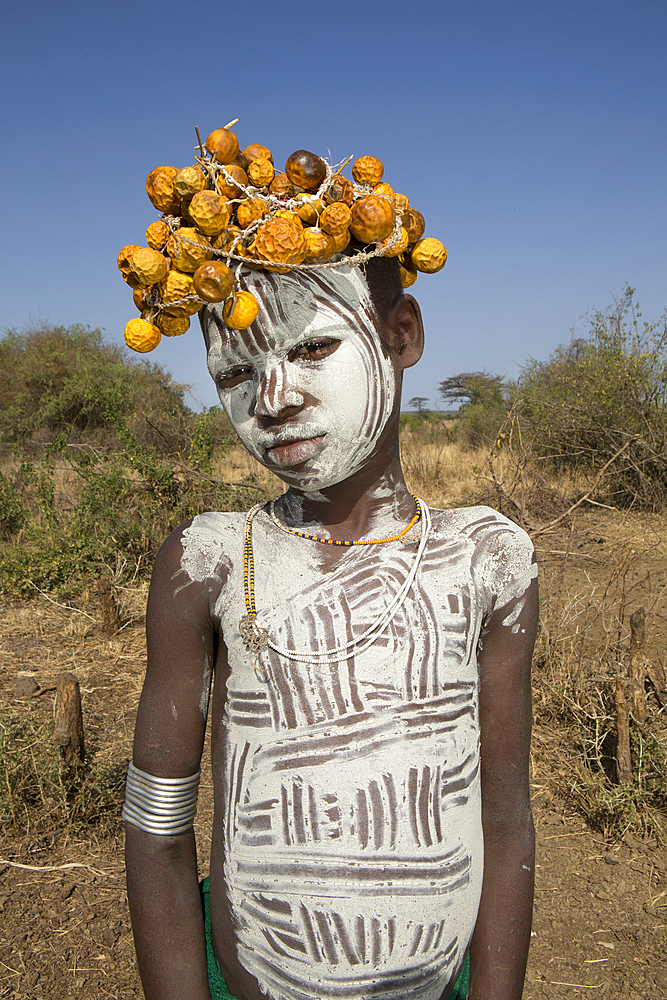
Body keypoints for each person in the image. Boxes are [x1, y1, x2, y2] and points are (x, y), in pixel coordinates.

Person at [123, 171, 538, 1000]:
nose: (273, 399)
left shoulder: (489, 560)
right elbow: (156, 832)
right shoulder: (209, 560)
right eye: (235, 375)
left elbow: (504, 822)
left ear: (401, 334)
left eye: (312, 347)